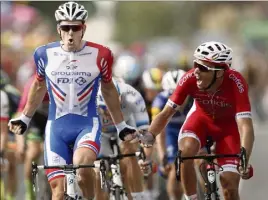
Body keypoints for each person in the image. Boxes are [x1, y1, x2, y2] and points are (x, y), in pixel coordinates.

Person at [8, 2, 136, 200]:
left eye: (75, 27)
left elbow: (109, 90)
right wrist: (24, 118)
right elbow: (38, 86)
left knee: (83, 168)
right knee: (57, 192)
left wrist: (121, 125)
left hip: (86, 125)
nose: (70, 33)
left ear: (83, 28)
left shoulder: (101, 55)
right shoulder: (43, 54)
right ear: (58, 28)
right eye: (65, 27)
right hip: (55, 128)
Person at [124, 41, 255, 200]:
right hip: (200, 121)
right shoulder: (189, 78)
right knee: (185, 152)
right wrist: (150, 135)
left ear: (219, 72)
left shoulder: (236, 82)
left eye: (203, 68)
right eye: (195, 64)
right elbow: (166, 113)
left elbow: (245, 126)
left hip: (228, 129)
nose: (196, 71)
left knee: (229, 184)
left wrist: (244, 160)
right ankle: (191, 198)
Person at [95, 78, 149, 200]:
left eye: (112, 107)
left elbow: (146, 133)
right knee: (97, 171)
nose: (109, 113)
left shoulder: (133, 96)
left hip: (126, 127)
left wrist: (146, 158)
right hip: (100, 132)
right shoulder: (90, 99)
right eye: (104, 109)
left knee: (129, 152)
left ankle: (137, 196)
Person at [152, 69, 192, 200]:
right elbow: (159, 131)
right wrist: (162, 154)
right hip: (170, 132)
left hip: (188, 131)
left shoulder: (194, 99)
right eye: (173, 95)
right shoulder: (159, 101)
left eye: (182, 95)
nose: (179, 100)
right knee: (174, 167)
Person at [15, 75, 50, 200]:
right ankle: (29, 193)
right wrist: (20, 144)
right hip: (35, 120)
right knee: (33, 153)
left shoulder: (59, 81)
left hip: (53, 119)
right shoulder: (32, 84)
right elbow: (20, 114)